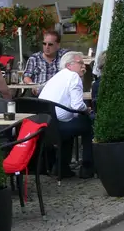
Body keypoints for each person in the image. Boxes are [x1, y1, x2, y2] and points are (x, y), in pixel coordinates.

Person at [39, 51, 93, 179]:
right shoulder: (73, 77)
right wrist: (87, 110)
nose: (84, 66)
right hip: (58, 126)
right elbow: (78, 106)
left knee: (72, 121)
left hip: (44, 126)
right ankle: (87, 167)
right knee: (88, 123)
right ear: (69, 65)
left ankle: (61, 167)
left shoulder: (57, 77)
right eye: (80, 63)